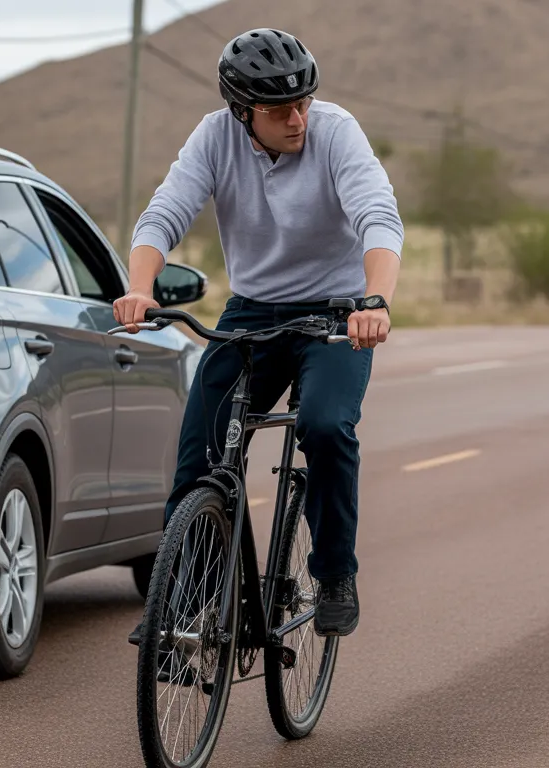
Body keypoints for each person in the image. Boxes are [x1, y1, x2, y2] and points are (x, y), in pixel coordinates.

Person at [114, 27, 404, 639]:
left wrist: (375, 300)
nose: (297, 119)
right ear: (243, 112)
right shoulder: (214, 137)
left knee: (325, 425)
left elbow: (378, 215)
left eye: (303, 103)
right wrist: (140, 287)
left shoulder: (335, 131)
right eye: (279, 110)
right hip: (253, 311)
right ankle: (185, 605)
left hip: (337, 312)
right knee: (201, 452)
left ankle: (334, 573)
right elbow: (164, 213)